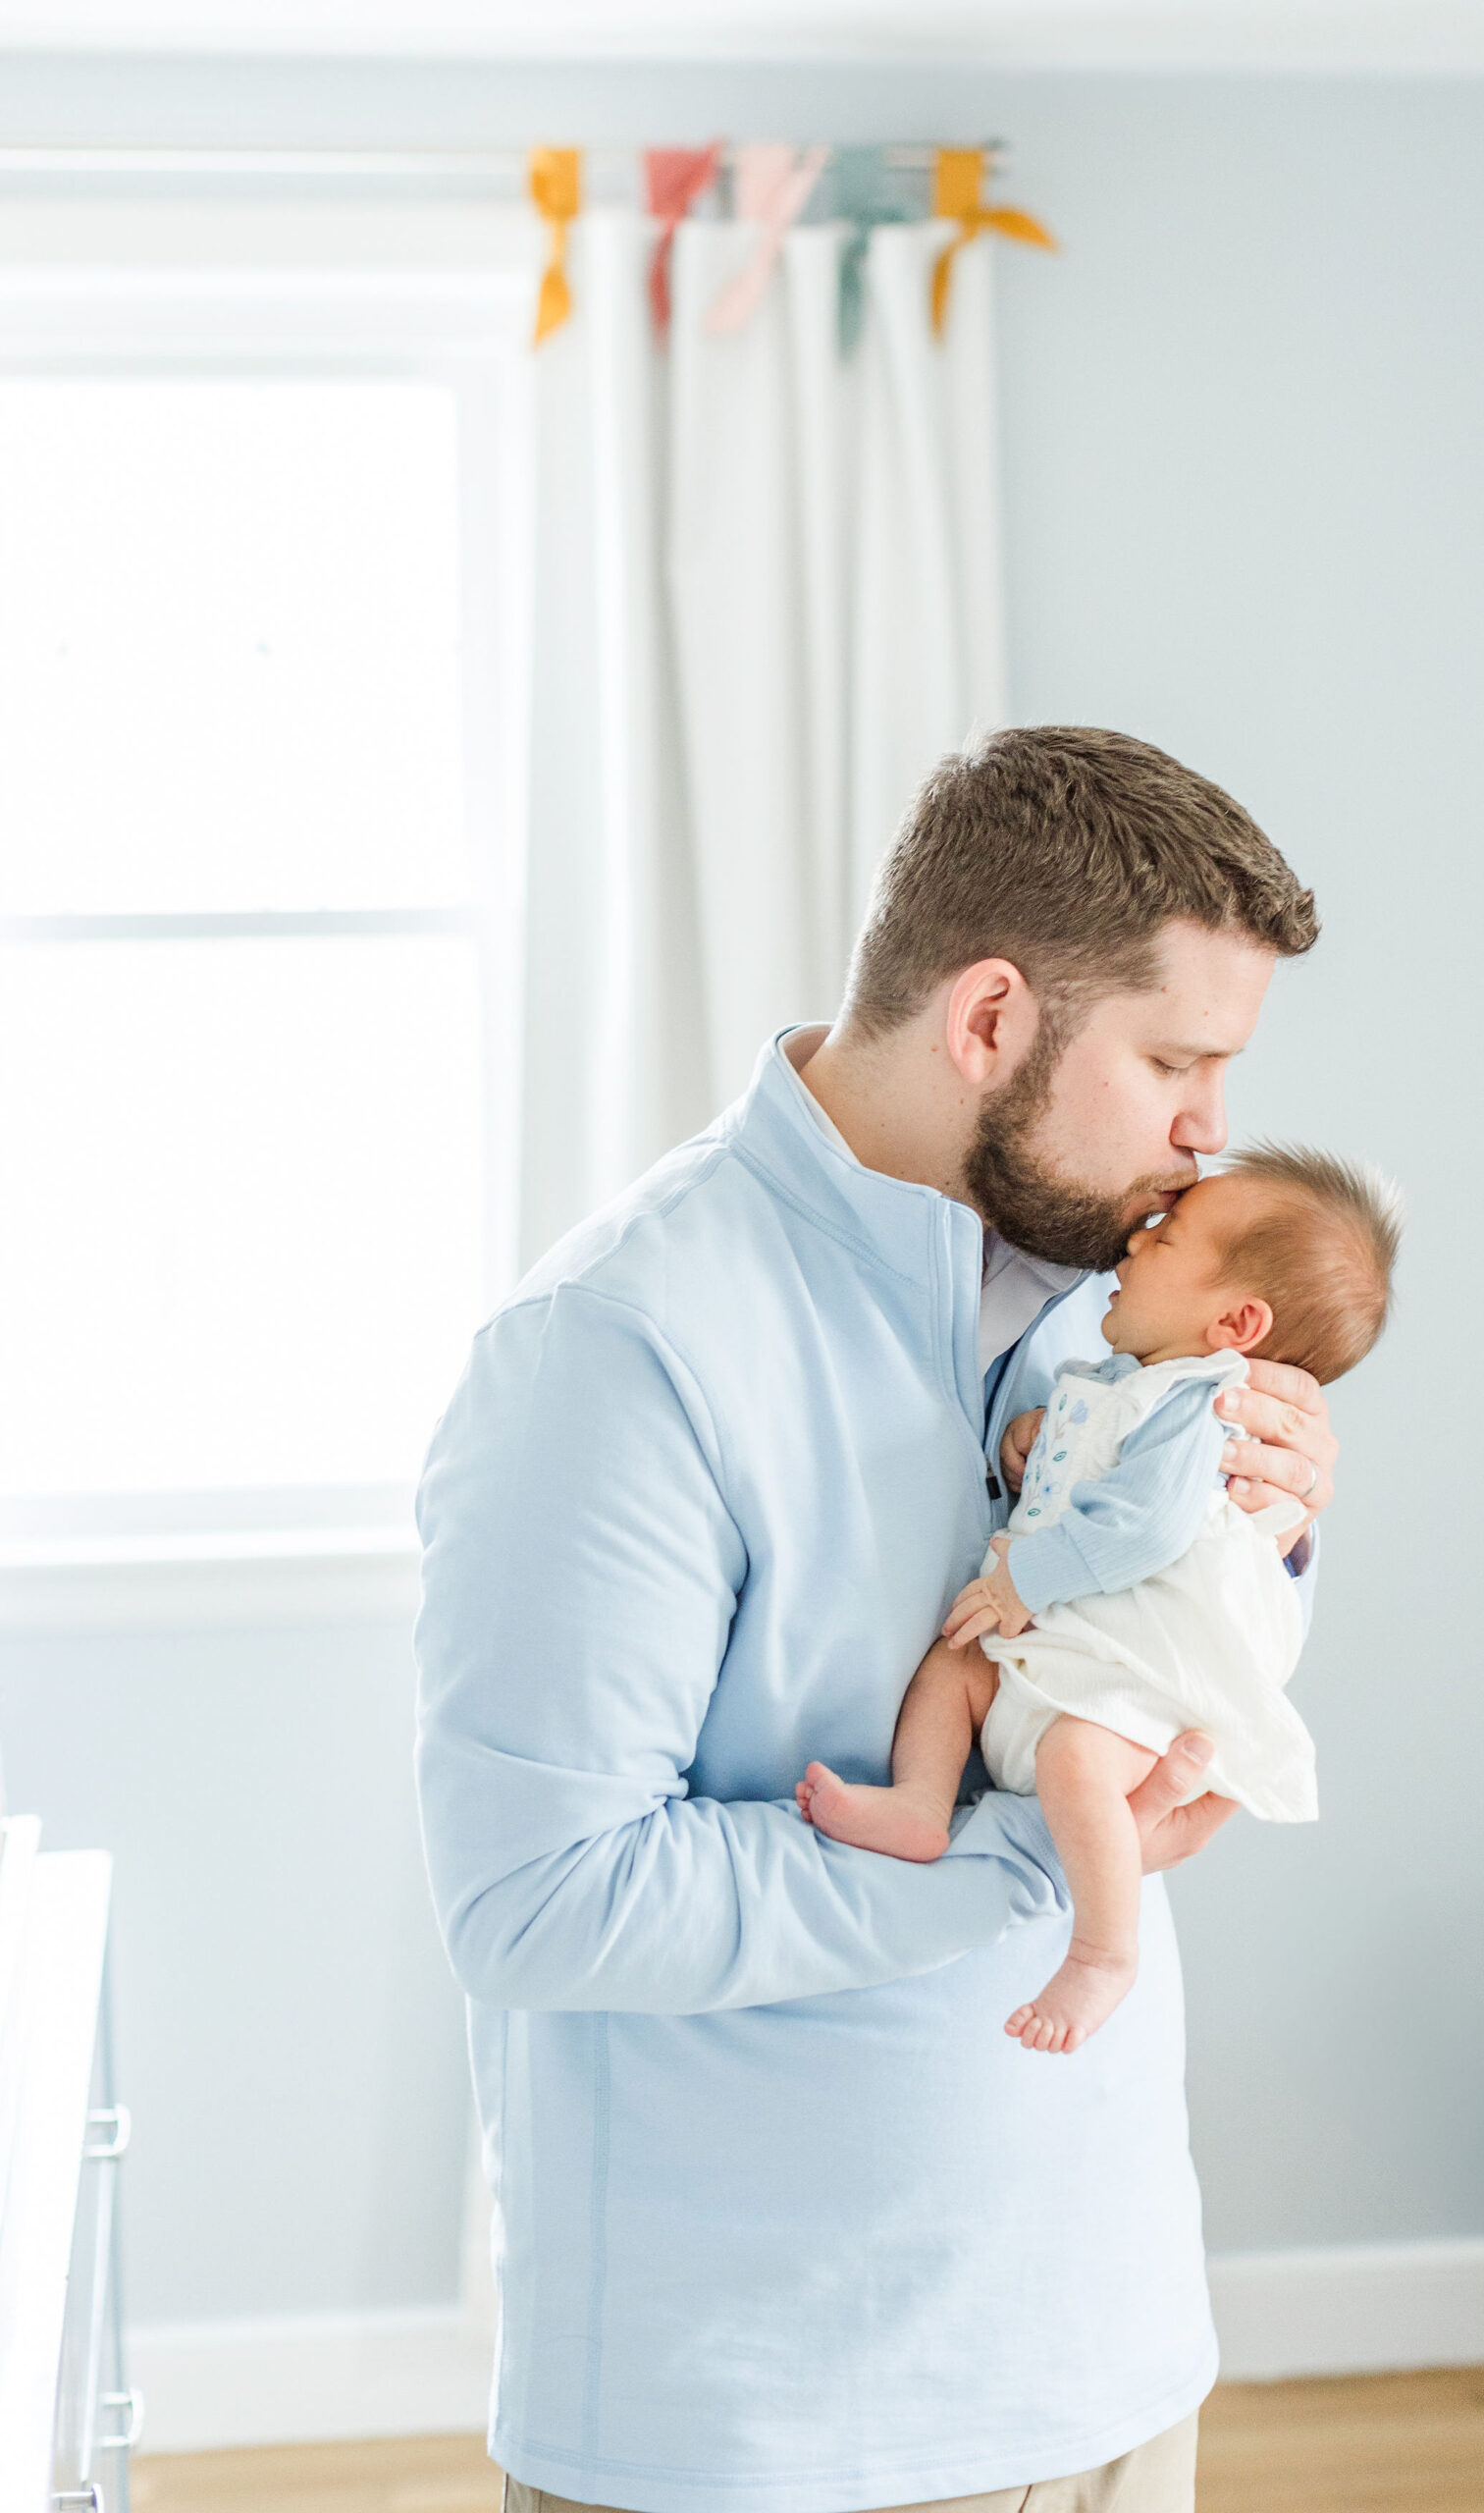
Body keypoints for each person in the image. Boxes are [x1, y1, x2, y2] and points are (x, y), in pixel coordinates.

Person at [414, 727, 1339, 2513]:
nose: (1209, 1133)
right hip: (764, 2439)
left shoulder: (1115, 1298)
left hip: (1118, 2367)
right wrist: (1046, 1868)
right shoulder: (615, 1351)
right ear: (989, 1019)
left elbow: (1135, 1663)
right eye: (1172, 1061)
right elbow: (540, 1907)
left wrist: (1270, 1542)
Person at [800, 1148, 1402, 2056]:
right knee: (954, 1662)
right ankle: (920, 1804)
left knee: (1078, 1759)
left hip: (1129, 1670)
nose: (1133, 1246)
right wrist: (1025, 1449)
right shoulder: (1127, 1383)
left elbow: (1148, 1529)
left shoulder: (1202, 1408)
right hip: (1059, 1644)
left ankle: (1100, 1952)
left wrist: (1021, 1584)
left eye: (1168, 1237)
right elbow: (1083, 1473)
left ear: (1235, 1321)